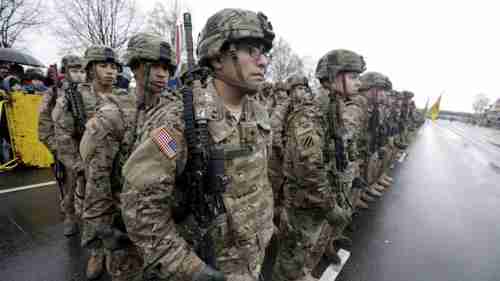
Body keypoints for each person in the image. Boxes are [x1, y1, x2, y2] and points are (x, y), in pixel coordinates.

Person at [120, 8, 275, 281]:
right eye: (252, 50)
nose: (262, 62)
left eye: (264, 52)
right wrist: (188, 268)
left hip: (252, 258)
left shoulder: (258, 112)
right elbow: (140, 209)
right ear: (217, 57)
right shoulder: (180, 120)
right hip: (209, 265)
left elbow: (261, 181)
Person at [79, 32, 177, 281]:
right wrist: (100, 231)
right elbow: (98, 179)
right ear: (135, 67)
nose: (161, 74)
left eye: (166, 68)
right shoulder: (114, 114)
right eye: (154, 66)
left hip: (160, 215)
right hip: (122, 217)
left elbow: (171, 156)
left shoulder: (170, 111)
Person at [52, 45, 121, 280]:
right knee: (92, 211)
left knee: (120, 210)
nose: (110, 72)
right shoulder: (73, 98)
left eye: (113, 67)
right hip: (88, 167)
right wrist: (78, 167)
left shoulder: (125, 96)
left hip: (119, 166)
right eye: (103, 66)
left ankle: (117, 250)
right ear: (91, 69)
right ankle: (96, 252)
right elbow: (62, 135)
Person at [272, 75, 347, 281]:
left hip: (301, 177)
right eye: (295, 89)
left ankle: (299, 270)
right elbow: (275, 134)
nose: (300, 92)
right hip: (291, 176)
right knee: (293, 244)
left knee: (300, 244)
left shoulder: (325, 107)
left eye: (303, 88)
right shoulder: (293, 110)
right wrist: (283, 153)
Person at [39, 55, 85, 218]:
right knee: (69, 188)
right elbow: (44, 128)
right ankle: (69, 216)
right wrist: (58, 148)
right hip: (65, 150)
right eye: (74, 71)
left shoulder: (87, 92)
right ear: (65, 73)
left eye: (82, 71)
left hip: (85, 147)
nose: (79, 75)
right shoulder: (53, 94)